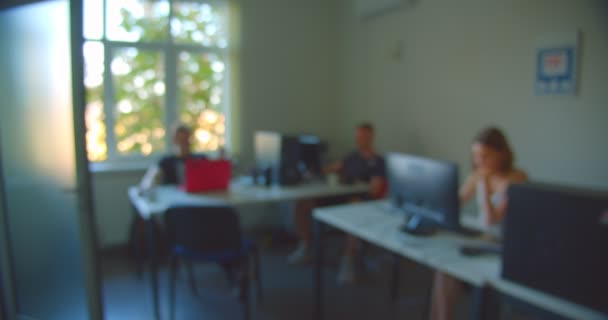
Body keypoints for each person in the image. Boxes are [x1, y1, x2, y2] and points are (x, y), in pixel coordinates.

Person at [430, 127, 528, 320]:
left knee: (452, 268)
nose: (479, 162)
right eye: (475, 156)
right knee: (444, 268)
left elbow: (492, 219)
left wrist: (482, 185)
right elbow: (454, 203)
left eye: (485, 156)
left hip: (505, 243)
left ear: (502, 155)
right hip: (483, 236)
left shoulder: (516, 179)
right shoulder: (478, 174)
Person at [287, 123, 387, 285]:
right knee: (302, 203)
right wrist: (312, 170)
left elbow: (375, 190)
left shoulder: (378, 161)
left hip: (361, 200)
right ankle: (305, 246)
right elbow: (332, 168)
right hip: (341, 196)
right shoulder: (352, 157)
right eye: (357, 137)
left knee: (354, 208)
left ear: (371, 137)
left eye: (362, 137)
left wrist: (356, 183)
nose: (359, 140)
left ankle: (348, 259)